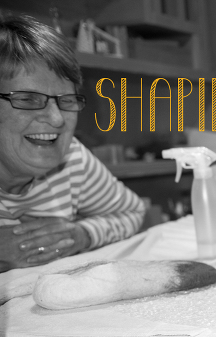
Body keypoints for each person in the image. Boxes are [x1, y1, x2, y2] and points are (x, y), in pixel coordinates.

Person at [0, 13, 145, 273]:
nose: (56, 119)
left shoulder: (72, 159)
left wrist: (81, 234)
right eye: (28, 99)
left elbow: (131, 213)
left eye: (67, 100)